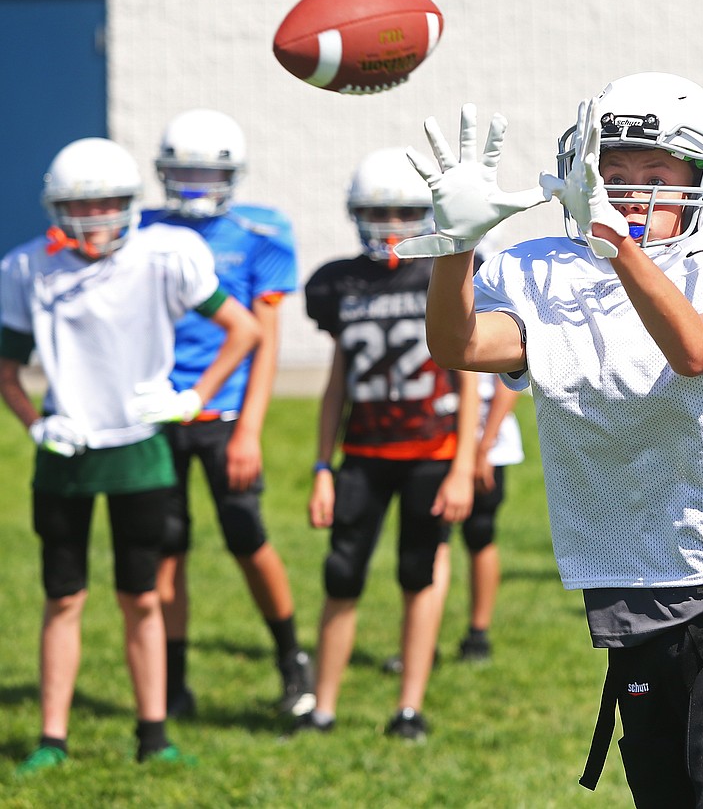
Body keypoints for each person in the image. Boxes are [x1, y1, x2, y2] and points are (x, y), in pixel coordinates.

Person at [398, 72, 703, 807]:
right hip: (632, 592)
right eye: (613, 173)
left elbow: (695, 351)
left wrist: (615, 246)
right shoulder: (543, 270)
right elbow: (462, 344)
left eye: (655, 175)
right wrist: (458, 250)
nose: (628, 190)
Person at [0, 138, 260, 772]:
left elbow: (245, 329)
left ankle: (153, 731)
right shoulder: (27, 268)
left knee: (141, 595)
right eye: (78, 205)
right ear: (56, 208)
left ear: (131, 203)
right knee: (63, 596)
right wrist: (36, 426)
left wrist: (193, 396)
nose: (92, 218)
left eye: (106, 203)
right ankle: (53, 738)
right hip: (68, 450)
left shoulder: (165, 256)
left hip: (141, 449)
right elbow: (7, 370)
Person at [294, 147, 480, 741]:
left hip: (429, 454)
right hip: (365, 456)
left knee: (417, 575)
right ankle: (321, 708)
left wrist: (463, 463)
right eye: (378, 212)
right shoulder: (338, 283)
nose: (391, 226)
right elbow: (337, 381)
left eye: (404, 212)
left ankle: (408, 707)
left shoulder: (439, 272)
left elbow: (467, 375)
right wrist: (322, 464)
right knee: (341, 575)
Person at [140, 108, 312, 720]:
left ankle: (293, 658)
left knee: (247, 537)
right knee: (166, 548)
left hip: (225, 411)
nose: (192, 185)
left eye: (204, 173)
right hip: (159, 412)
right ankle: (174, 679)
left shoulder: (259, 231)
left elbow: (265, 340)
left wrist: (249, 431)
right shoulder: (142, 230)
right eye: (181, 172)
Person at [382, 371, 523, 672]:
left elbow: (511, 381)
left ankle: (478, 635)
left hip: (487, 441)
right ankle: (422, 644)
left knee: (480, 534)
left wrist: (484, 445)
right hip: (438, 443)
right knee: (434, 540)